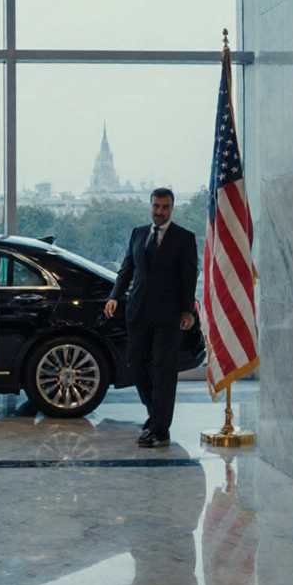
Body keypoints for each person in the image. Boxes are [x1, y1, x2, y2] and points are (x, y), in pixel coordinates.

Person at [104, 188, 198, 448]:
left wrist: (187, 311)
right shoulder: (138, 233)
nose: (159, 211)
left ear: (172, 208)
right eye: (156, 206)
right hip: (138, 312)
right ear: (151, 206)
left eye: (165, 207)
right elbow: (127, 268)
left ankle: (159, 429)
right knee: (135, 363)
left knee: (163, 370)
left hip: (169, 317)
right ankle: (156, 416)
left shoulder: (184, 238)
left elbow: (189, 277)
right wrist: (115, 296)